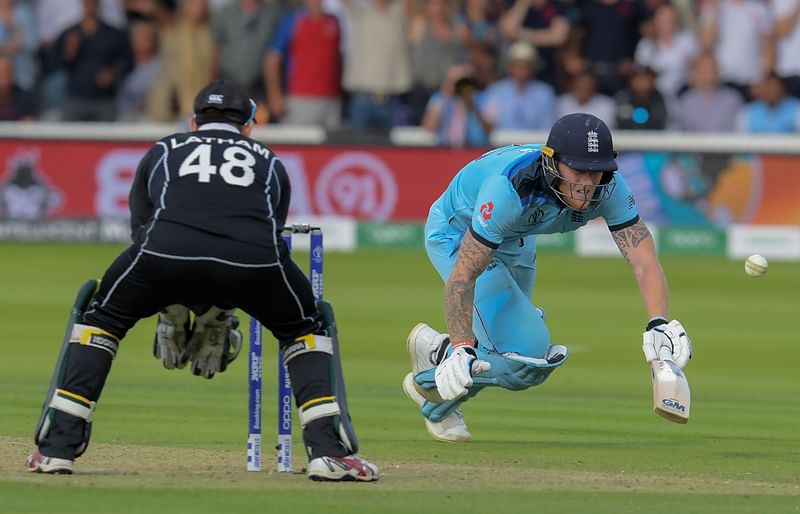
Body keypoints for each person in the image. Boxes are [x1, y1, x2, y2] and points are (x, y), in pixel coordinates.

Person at [26, 79, 379, 482]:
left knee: (100, 320)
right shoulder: (269, 160)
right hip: (253, 262)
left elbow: (141, 228)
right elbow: (270, 231)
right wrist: (225, 295)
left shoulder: (163, 149)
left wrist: (168, 292)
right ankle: (329, 453)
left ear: (193, 122)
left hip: (164, 253)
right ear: (249, 126)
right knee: (305, 328)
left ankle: (57, 450)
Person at [402, 112, 692, 442]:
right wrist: (460, 345)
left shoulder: (608, 187)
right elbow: (463, 276)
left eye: (596, 171)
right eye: (578, 169)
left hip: (517, 239)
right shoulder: (509, 190)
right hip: (458, 233)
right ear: (551, 163)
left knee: (503, 349)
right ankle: (431, 375)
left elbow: (644, 262)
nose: (587, 183)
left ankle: (436, 383)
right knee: (526, 357)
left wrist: (658, 323)